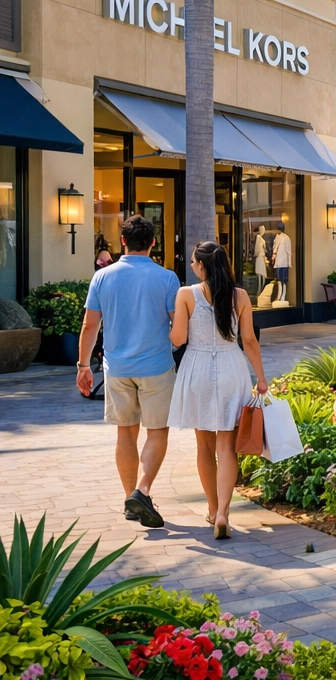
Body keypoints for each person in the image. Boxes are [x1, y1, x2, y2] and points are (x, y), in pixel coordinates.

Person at [76, 214, 182, 529]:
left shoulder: (102, 277)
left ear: (123, 241)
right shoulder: (167, 278)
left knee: (126, 433)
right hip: (157, 367)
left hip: (117, 368)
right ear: (153, 243)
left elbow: (90, 325)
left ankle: (130, 502)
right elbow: (179, 327)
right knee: (157, 431)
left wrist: (83, 365)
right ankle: (142, 491)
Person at [168, 241, 267, 539]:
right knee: (226, 447)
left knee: (204, 447)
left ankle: (212, 509)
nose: (192, 267)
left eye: (194, 262)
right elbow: (248, 340)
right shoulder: (240, 296)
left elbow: (178, 339)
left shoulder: (186, 294)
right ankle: (224, 511)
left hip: (197, 369)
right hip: (230, 368)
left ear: (202, 265)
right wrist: (261, 378)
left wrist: (171, 321)